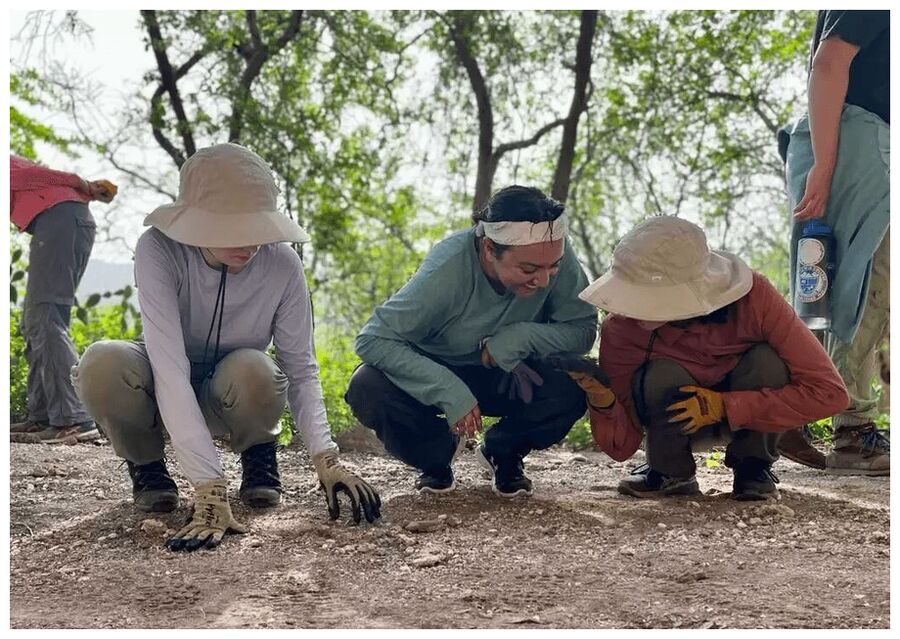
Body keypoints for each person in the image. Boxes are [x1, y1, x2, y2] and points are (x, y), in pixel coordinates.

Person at [72, 143, 381, 552]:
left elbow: (301, 369)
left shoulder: (283, 264)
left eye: (256, 225)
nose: (249, 241)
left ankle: (258, 452)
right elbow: (169, 368)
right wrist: (209, 486)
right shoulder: (158, 249)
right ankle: (147, 467)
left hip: (233, 389)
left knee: (258, 368)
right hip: (163, 383)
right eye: (233, 227)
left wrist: (326, 459)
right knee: (102, 361)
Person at [561, 216, 849, 501]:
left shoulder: (755, 298)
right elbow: (621, 447)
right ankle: (670, 472)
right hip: (672, 420)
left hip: (750, 415)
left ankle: (753, 469)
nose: (631, 306)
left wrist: (724, 406)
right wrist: (602, 400)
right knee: (660, 374)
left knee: (767, 360)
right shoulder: (621, 329)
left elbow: (830, 394)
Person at [345, 185, 596, 497]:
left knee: (573, 385)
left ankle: (502, 451)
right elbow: (373, 340)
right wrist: (448, 390)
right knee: (366, 386)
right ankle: (436, 456)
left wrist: (519, 337)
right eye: (529, 269)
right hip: (438, 371)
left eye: (553, 267)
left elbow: (582, 331)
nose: (544, 280)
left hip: (511, 371)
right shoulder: (446, 267)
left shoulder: (552, 250)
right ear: (490, 249)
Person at [781, 10, 890, 475]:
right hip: (857, 138)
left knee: (824, 283)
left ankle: (785, 411)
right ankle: (849, 428)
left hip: (853, 136)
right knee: (865, 285)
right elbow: (828, 63)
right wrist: (824, 165)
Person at [9, 154, 117, 444]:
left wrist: (81, 184)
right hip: (58, 222)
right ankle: (43, 416)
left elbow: (35, 175)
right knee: (35, 320)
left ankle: (74, 418)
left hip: (61, 219)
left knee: (46, 315)